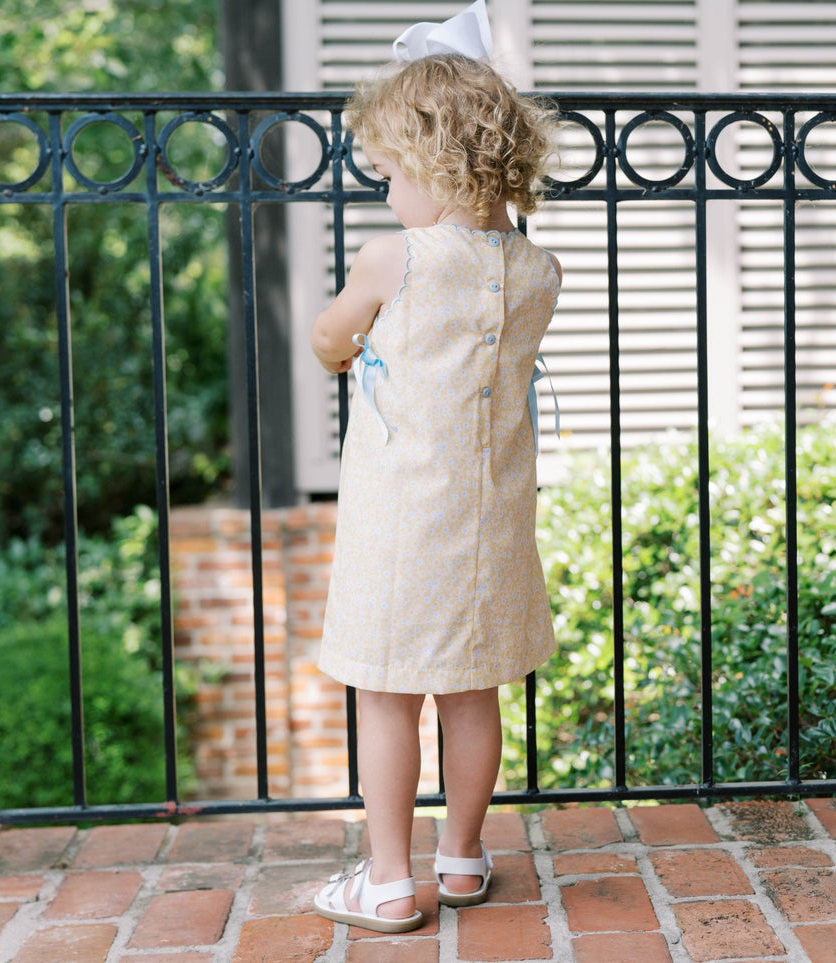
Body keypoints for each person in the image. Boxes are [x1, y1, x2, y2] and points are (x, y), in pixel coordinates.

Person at [309, 10, 562, 932]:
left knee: (385, 695)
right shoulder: (539, 269)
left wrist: (350, 342)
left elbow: (328, 340)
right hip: (492, 521)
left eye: (388, 174)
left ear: (438, 164)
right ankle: (458, 858)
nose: (383, 194)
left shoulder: (393, 258)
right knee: (471, 692)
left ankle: (384, 878)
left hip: (400, 524)